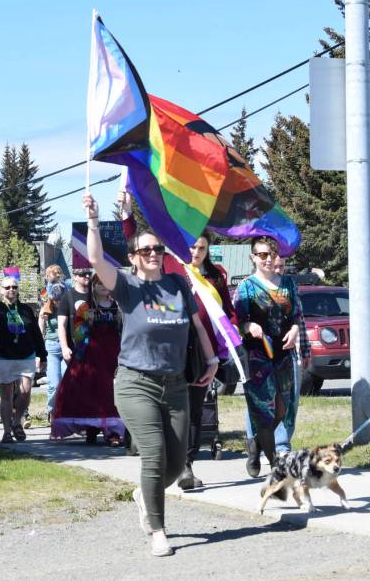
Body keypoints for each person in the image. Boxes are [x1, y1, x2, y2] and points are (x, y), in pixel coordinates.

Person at [83, 192, 218, 558]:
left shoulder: (176, 285)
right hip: (135, 383)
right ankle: (158, 530)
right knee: (155, 455)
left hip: (175, 383)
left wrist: (212, 359)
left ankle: (146, 494)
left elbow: (197, 327)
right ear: (133, 258)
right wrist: (94, 221)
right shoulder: (128, 287)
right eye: (145, 250)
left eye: (157, 248)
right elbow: (95, 258)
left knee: (177, 462)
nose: (154, 253)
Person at [117, 191, 238, 488]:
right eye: (192, 245)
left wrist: (236, 336)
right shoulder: (170, 266)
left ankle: (187, 465)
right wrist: (127, 215)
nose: (195, 251)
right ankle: (152, 449)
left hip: (201, 353)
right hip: (171, 352)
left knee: (195, 409)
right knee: (163, 406)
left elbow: (228, 312)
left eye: (201, 247)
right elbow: (137, 246)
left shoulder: (217, 275)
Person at [234, 237, 310, 478]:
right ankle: (275, 464)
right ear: (253, 258)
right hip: (257, 355)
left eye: (271, 254)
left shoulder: (288, 283)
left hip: (283, 354)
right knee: (262, 412)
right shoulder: (247, 286)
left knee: (281, 409)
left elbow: (297, 315)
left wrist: (295, 330)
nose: (267, 259)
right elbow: (236, 322)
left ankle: (255, 445)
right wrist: (249, 327)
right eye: (262, 255)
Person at [50, 275, 125, 446]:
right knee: (89, 391)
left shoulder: (118, 306)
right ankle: (91, 428)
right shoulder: (85, 307)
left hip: (112, 353)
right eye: (99, 284)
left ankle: (112, 431)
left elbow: (123, 330)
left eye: (106, 283)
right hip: (90, 354)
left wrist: (120, 320)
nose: (103, 287)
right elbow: (77, 335)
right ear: (93, 287)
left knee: (109, 391)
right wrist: (86, 322)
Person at [0, 277, 46, 442]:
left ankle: (17, 422)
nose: (11, 290)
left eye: (14, 287)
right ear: (1, 290)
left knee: (25, 391)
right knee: (6, 395)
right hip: (4, 356)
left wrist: (42, 355)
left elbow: (35, 332)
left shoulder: (26, 309)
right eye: (7, 287)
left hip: (26, 355)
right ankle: (7, 431)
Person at [38, 268, 68, 420]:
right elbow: (40, 327)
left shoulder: (68, 306)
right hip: (52, 346)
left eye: (60, 299)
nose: (57, 302)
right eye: (55, 299)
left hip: (67, 348)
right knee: (54, 383)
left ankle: (65, 411)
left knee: (67, 380)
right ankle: (52, 411)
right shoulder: (47, 307)